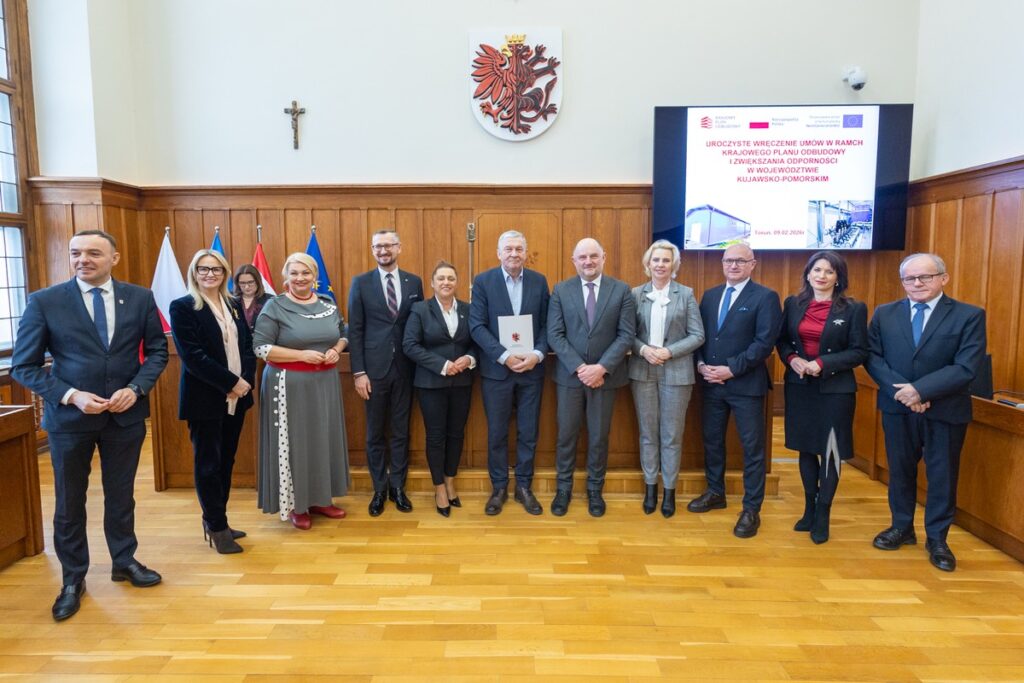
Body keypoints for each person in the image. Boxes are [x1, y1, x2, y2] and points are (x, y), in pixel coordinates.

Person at [11, 229, 168, 622]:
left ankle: (124, 561)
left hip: (125, 415)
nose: (83, 259)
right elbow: (24, 366)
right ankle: (72, 579)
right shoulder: (44, 301)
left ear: (114, 257)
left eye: (94, 253)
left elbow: (158, 352)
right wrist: (72, 395)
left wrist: (137, 387)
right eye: (76, 253)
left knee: (121, 496)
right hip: (69, 420)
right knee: (69, 503)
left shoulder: (140, 297)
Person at [866, 253, 986, 572]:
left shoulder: (969, 315)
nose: (917, 283)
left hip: (945, 409)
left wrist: (922, 390)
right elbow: (874, 359)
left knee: (942, 475)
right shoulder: (885, 313)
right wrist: (904, 392)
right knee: (900, 470)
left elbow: (966, 366)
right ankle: (902, 528)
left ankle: (938, 539)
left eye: (925, 277)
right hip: (898, 407)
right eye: (910, 278)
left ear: (943, 278)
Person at [687, 243, 781, 539]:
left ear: (753, 264)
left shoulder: (765, 297)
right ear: (722, 263)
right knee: (712, 441)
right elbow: (700, 336)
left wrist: (731, 368)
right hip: (711, 383)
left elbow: (764, 343)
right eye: (729, 260)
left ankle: (752, 508)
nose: (734, 266)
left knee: (752, 449)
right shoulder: (711, 295)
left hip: (745, 385)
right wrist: (701, 365)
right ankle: (716, 491)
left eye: (741, 261)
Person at [776, 251, 868, 544]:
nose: (822, 276)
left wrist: (823, 364)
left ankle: (824, 513)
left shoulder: (853, 308)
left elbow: (859, 351)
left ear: (838, 277)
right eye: (817, 270)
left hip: (835, 390)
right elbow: (781, 341)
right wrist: (792, 360)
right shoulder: (793, 304)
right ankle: (809, 508)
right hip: (800, 386)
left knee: (831, 450)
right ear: (808, 274)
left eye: (829, 271)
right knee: (805, 448)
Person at [253, 252, 350, 530]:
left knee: (323, 439)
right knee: (296, 442)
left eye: (306, 273)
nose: (300, 278)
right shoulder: (275, 307)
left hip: (325, 384)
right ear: (286, 276)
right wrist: (301, 355)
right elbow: (260, 347)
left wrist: (336, 350)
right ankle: (297, 503)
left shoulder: (328, 304)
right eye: (294, 273)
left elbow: (343, 333)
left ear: (314, 276)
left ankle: (321, 498)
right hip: (288, 384)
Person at [170, 250, 257, 554]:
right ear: (194, 272)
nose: (210, 274)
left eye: (217, 270)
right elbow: (193, 357)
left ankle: (221, 518)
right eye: (204, 269)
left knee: (226, 460)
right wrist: (230, 382)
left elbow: (247, 345)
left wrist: (244, 383)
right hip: (206, 398)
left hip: (237, 398)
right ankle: (216, 526)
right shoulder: (183, 307)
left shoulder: (232, 304)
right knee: (208, 463)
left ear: (225, 273)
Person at [547, 238, 636, 517]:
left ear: (603, 257)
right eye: (583, 257)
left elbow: (626, 335)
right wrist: (579, 367)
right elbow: (555, 334)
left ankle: (595, 490)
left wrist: (601, 368)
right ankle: (564, 489)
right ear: (574, 261)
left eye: (593, 256)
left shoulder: (621, 290)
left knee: (599, 436)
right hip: (570, 378)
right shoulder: (561, 290)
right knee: (566, 435)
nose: (588, 261)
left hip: (605, 378)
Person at [469, 230, 550, 516]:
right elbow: (477, 326)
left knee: (529, 432)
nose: (514, 254)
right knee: (497, 433)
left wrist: (537, 355)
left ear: (526, 253)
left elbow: (547, 325)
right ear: (499, 253)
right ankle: (499, 487)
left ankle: (524, 487)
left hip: (531, 371)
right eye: (509, 249)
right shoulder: (483, 282)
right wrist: (504, 356)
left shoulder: (539, 282)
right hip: (497, 372)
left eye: (519, 249)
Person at [347, 229, 424, 516]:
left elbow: (420, 324)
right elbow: (354, 330)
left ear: (399, 248)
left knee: (401, 432)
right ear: (372, 250)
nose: (383, 251)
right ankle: (379, 489)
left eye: (388, 245)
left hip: (406, 368)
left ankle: (398, 488)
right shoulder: (361, 283)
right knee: (375, 433)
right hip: (373, 371)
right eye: (377, 246)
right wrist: (358, 373)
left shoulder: (414, 282)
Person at [629, 239, 704, 518]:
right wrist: (645, 349)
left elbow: (698, 335)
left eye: (665, 260)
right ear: (648, 264)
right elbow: (627, 333)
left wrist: (668, 352)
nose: (660, 265)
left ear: (674, 265)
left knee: (672, 435)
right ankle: (650, 488)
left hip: (677, 372)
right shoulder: (635, 294)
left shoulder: (686, 294)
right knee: (648, 434)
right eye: (656, 260)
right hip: (643, 371)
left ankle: (669, 491)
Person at [403, 261, 477, 517]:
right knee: (436, 436)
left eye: (451, 279)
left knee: (456, 434)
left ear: (456, 283)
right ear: (433, 283)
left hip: (462, 383)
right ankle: (439, 488)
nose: (446, 282)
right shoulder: (420, 309)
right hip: (431, 384)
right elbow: (410, 345)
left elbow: (477, 342)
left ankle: (451, 480)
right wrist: (443, 365)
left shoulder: (469, 309)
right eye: (441, 278)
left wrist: (469, 359)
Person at [233, 264, 272, 333]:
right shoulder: (231, 301)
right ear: (237, 283)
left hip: (261, 341)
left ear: (257, 281)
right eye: (242, 283)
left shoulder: (270, 300)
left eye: (250, 282)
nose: (247, 287)